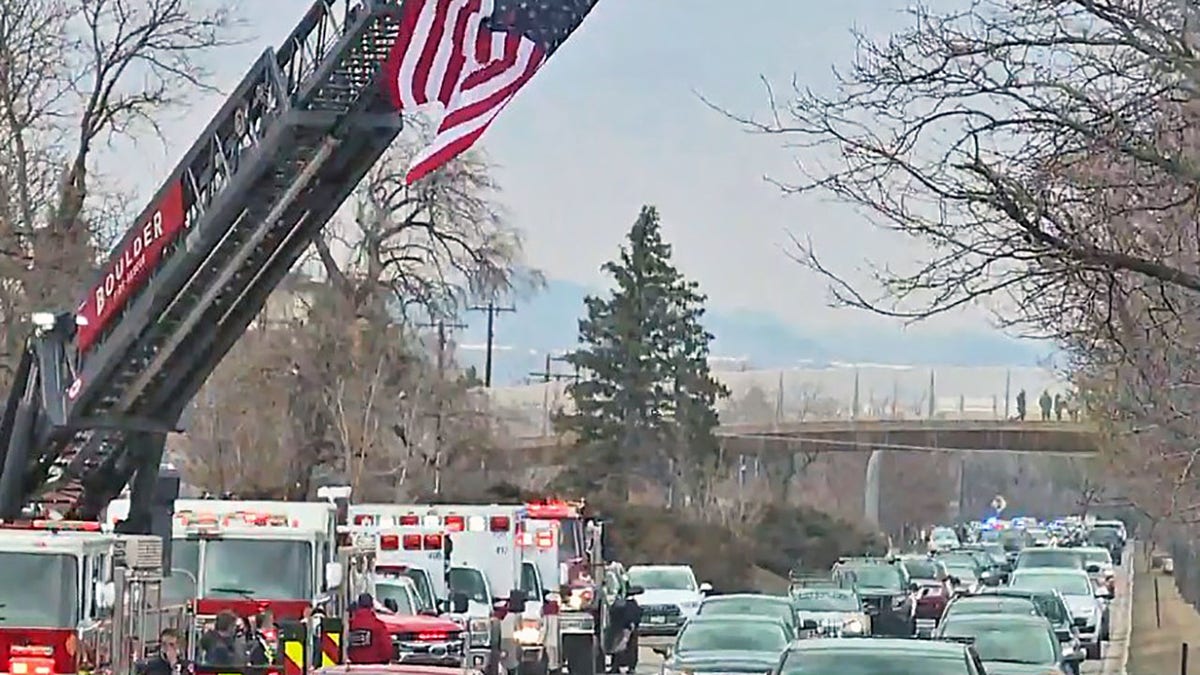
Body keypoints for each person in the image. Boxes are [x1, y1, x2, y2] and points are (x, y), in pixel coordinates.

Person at [347, 593, 393, 664]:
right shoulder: (378, 626)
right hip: (375, 667)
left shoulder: (352, 625)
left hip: (356, 667)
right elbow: (386, 649)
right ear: (372, 607)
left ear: (358, 606)